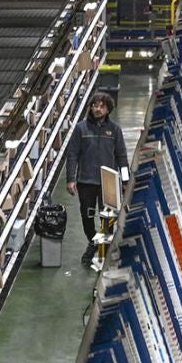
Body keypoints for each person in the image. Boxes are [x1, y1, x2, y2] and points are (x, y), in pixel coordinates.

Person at [63, 92, 128, 271]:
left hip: (109, 181)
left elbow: (121, 156)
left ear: (108, 110)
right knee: (87, 216)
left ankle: (101, 251)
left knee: (108, 218)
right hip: (86, 181)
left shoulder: (114, 130)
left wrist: (125, 179)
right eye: (95, 105)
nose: (97, 109)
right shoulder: (80, 129)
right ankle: (93, 242)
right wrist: (71, 179)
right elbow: (72, 155)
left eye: (101, 106)